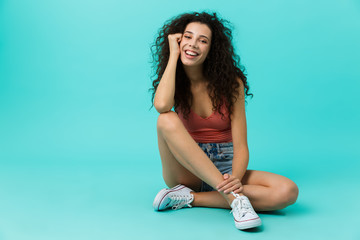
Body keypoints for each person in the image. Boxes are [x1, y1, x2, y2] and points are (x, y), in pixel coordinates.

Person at [149, 11, 299, 230]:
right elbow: (162, 106)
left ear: (212, 49)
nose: (193, 45)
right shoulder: (174, 80)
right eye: (188, 37)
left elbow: (241, 145)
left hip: (225, 167)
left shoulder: (231, 84)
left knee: (288, 191)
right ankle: (235, 201)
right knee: (165, 120)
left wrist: (235, 179)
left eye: (203, 40)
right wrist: (173, 55)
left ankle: (189, 198)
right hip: (188, 169)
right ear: (179, 40)